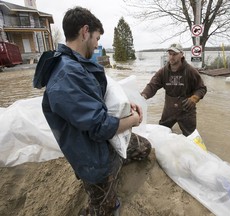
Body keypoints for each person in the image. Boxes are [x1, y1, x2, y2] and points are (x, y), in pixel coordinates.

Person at [37, 6, 151, 216]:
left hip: (105, 143)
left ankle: (116, 169)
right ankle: (99, 202)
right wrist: (133, 120)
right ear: (85, 31)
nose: (98, 44)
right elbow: (99, 127)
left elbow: (101, 96)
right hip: (93, 158)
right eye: (97, 38)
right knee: (104, 210)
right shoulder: (66, 76)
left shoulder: (77, 64)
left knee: (144, 147)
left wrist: (126, 107)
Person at [141, 43, 207, 136]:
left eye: (175, 54)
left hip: (187, 110)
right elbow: (152, 85)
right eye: (170, 54)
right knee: (161, 133)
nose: (172, 57)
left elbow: (201, 88)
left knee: (191, 137)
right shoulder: (163, 72)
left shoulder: (190, 71)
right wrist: (143, 96)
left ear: (181, 54)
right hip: (169, 110)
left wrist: (194, 98)